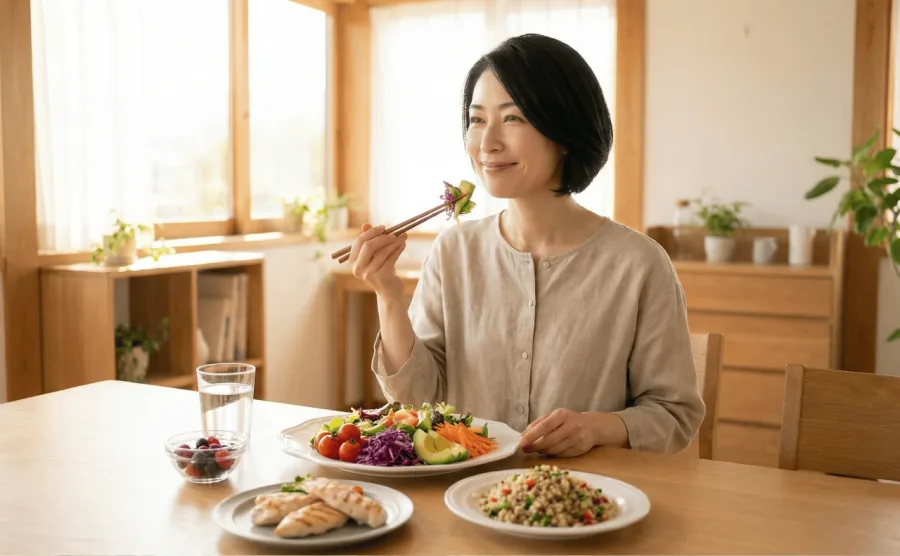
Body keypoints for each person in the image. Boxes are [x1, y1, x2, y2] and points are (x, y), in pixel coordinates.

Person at [347, 33, 705, 457]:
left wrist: (596, 427)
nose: (487, 143)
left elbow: (674, 414)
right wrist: (388, 295)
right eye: (477, 120)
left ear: (565, 131)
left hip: (584, 503)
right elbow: (417, 402)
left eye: (513, 118)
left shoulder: (639, 264)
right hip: (464, 493)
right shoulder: (453, 251)